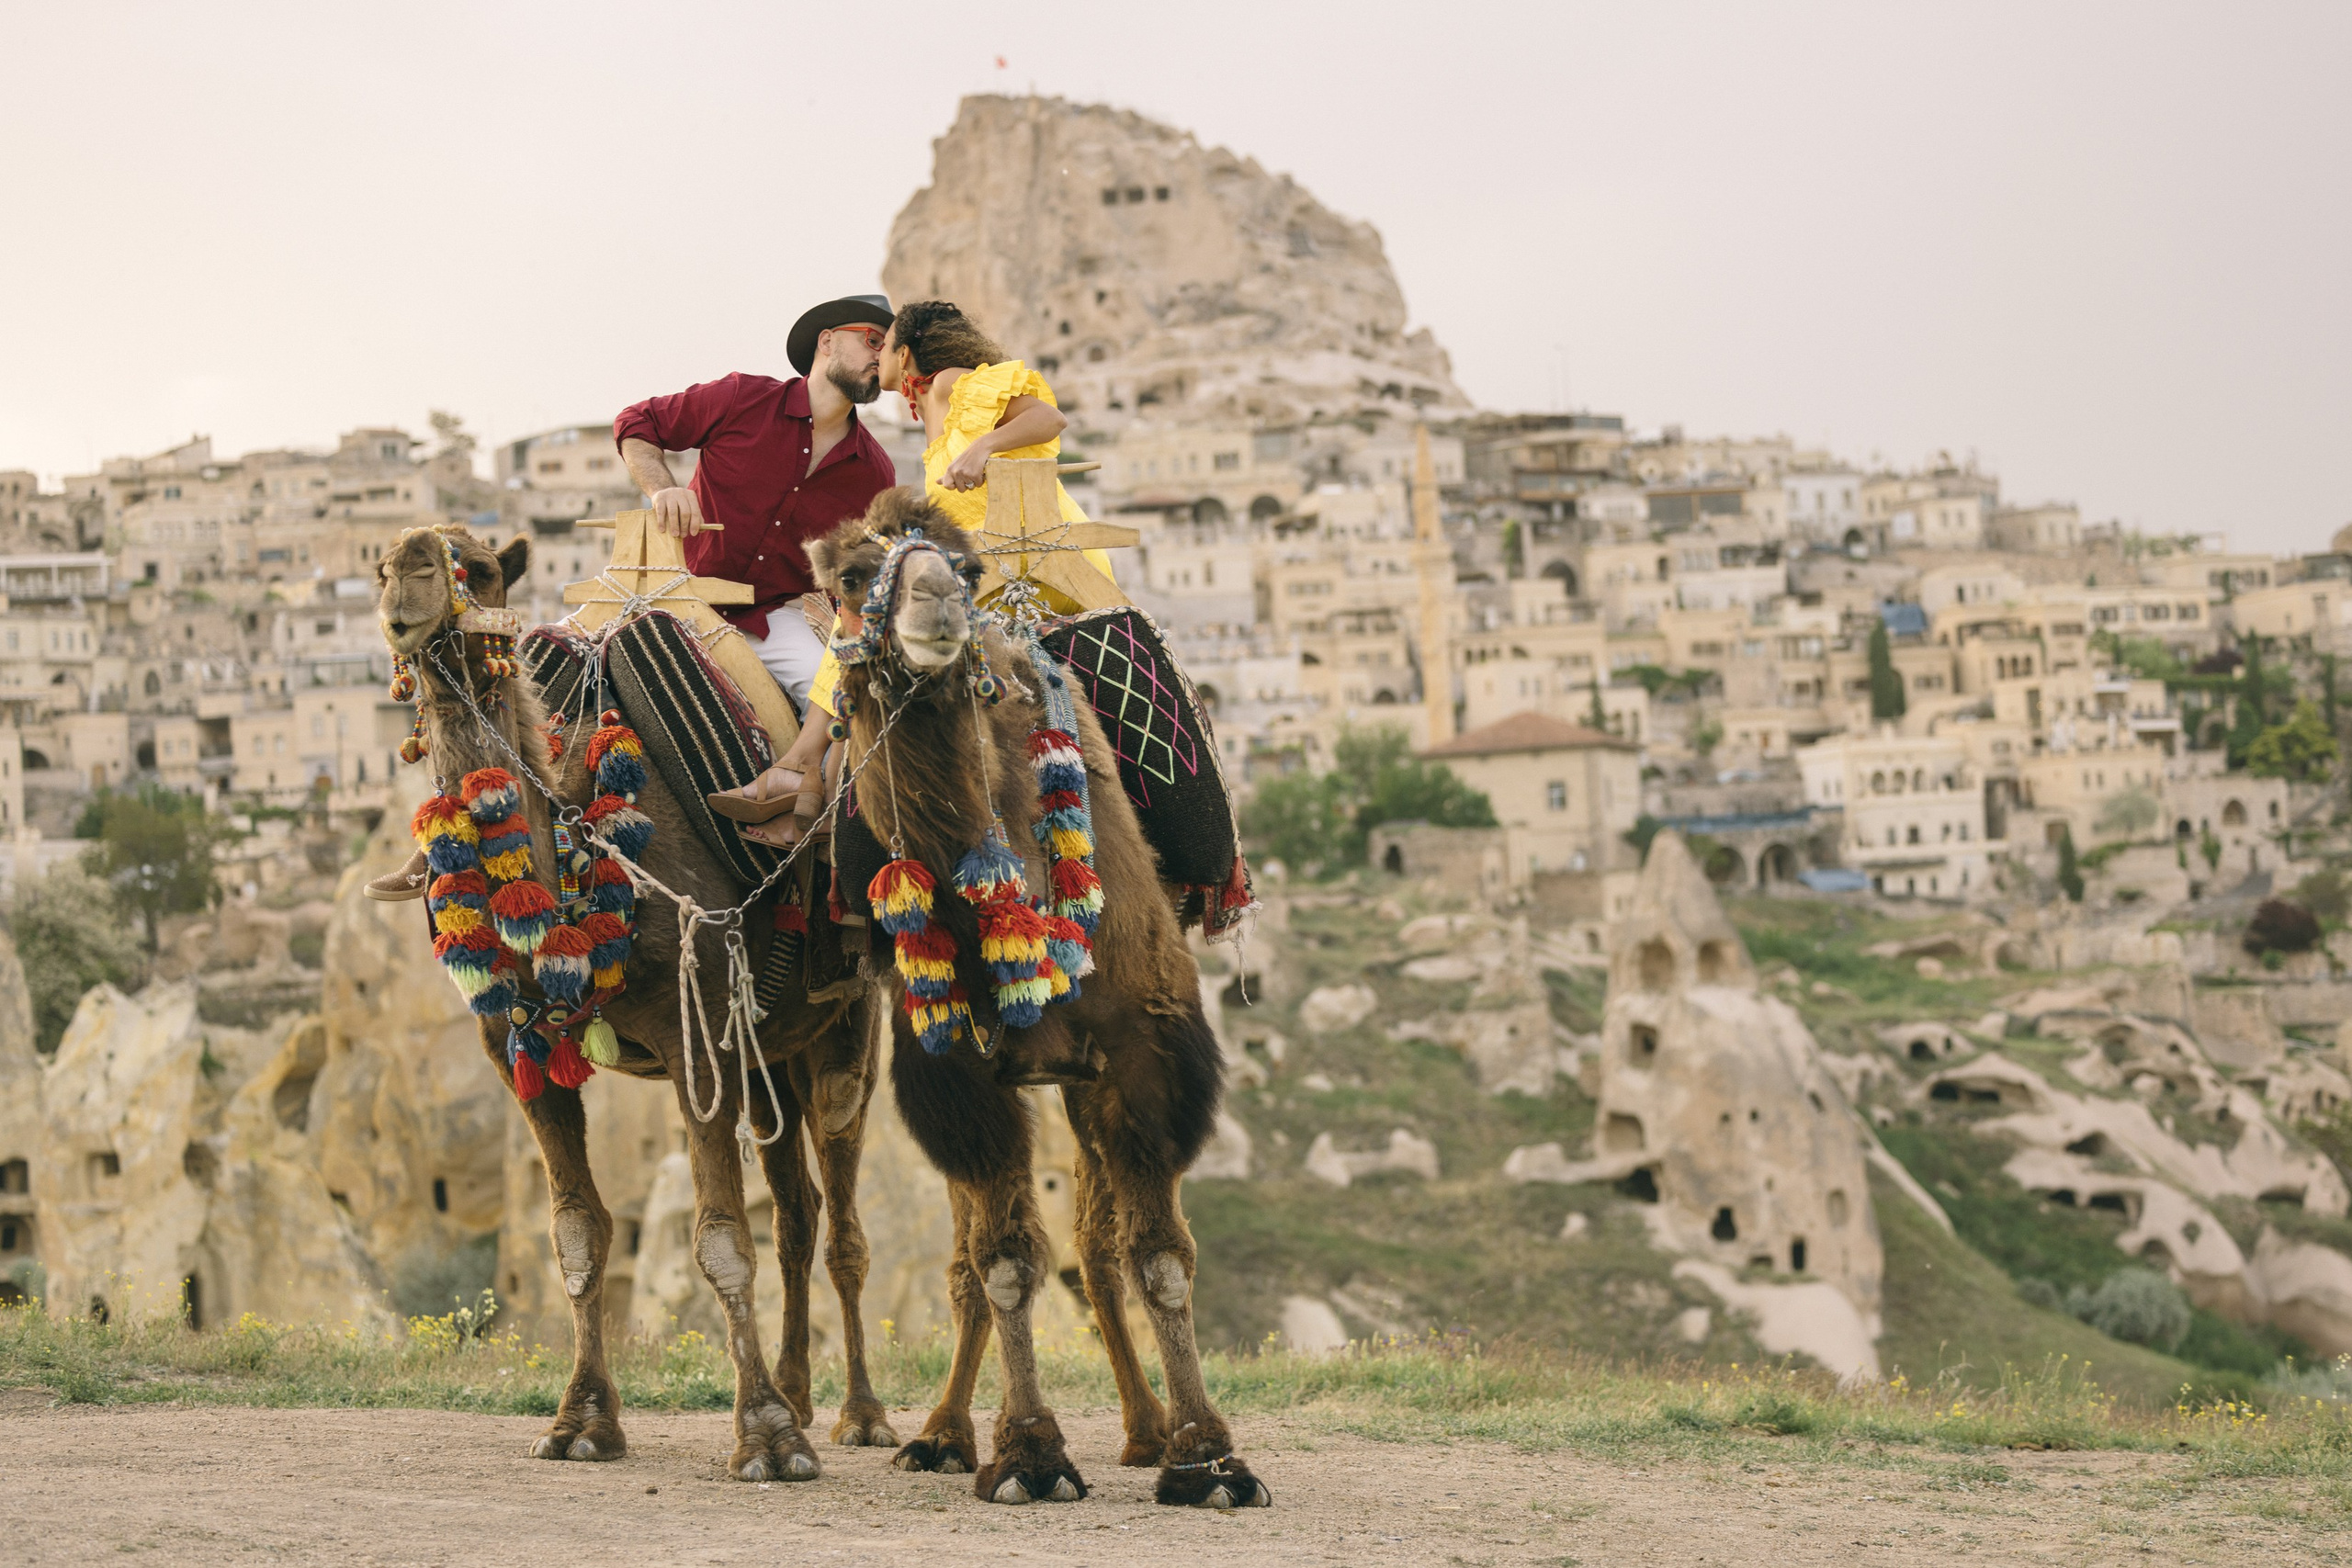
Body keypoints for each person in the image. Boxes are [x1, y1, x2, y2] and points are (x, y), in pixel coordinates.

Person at [365, 295, 896, 899]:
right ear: (827, 342)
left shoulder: (874, 469)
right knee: (525, 666)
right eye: (871, 339)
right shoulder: (743, 397)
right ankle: (440, 841)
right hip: (664, 594)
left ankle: (836, 886)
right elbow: (636, 424)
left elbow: (860, 570)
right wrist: (663, 488)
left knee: (851, 707)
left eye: (889, 344)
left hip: (774, 617)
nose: (882, 353)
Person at [720, 299, 1120, 848]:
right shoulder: (932, 410)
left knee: (863, 622)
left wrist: (982, 448)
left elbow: (1048, 418)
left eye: (884, 345)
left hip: (1013, 558)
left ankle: (804, 773)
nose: (876, 354)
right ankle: (811, 780)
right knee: (855, 621)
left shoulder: (953, 382)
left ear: (905, 353)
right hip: (971, 563)